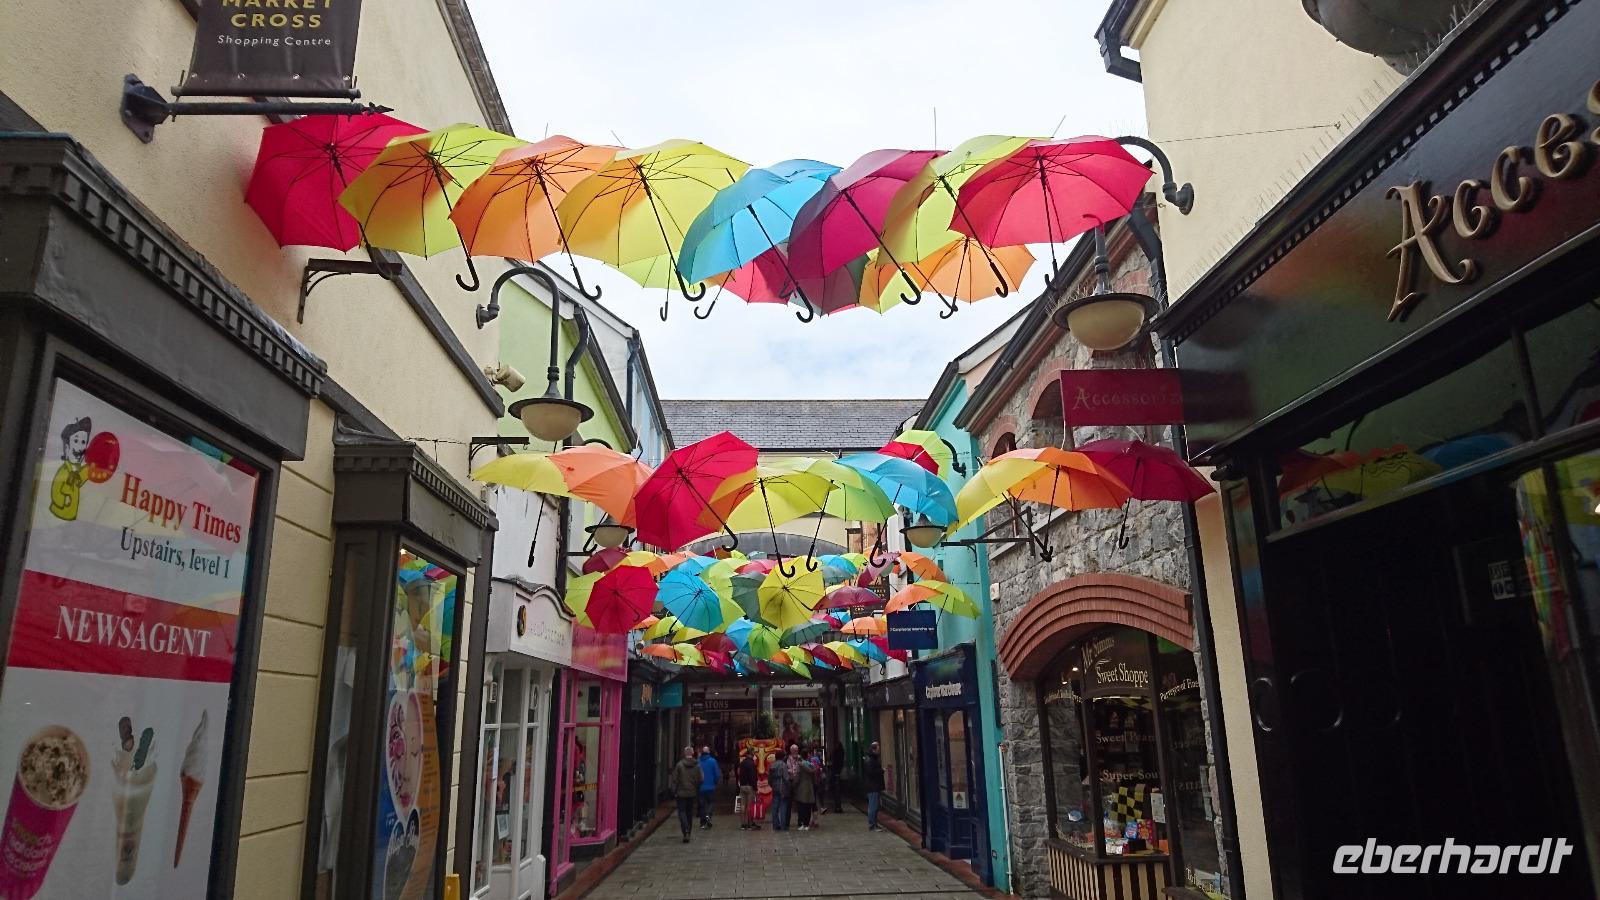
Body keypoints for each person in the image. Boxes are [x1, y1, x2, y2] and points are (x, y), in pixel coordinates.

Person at [670, 746, 701, 843]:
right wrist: (696, 786)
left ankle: (686, 830)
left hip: (681, 792)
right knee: (689, 812)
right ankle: (688, 831)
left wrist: (673, 791)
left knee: (682, 812)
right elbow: (701, 778)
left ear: (684, 754)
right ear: (692, 753)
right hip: (692, 792)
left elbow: (675, 779)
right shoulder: (697, 765)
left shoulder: (679, 765)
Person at [791, 745, 817, 832]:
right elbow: (813, 777)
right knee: (808, 807)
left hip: (801, 789)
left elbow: (797, 778)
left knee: (801, 807)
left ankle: (802, 824)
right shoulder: (810, 765)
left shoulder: (800, 765)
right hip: (809, 788)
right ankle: (807, 825)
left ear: (801, 756)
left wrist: (793, 785)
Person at [767, 745, 792, 831]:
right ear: (782, 757)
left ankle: (775, 824)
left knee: (775, 807)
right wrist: (789, 787)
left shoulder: (771, 765)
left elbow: (769, 779)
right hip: (783, 788)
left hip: (775, 788)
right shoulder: (783, 765)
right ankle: (783, 825)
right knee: (783, 807)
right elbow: (786, 778)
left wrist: (772, 785)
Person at [697, 746, 721, 828]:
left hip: (700, 787)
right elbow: (717, 774)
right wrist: (715, 782)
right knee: (711, 802)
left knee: (702, 805)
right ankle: (708, 814)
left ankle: (702, 823)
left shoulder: (698, 761)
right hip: (711, 787)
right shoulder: (713, 761)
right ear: (709, 752)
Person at [864, 741, 885, 831]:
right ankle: (872, 825)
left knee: (875, 806)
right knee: (873, 806)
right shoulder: (870, 760)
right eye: (878, 749)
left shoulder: (873, 758)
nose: (879, 751)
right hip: (873, 786)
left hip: (875, 785)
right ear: (874, 749)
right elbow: (870, 773)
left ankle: (874, 823)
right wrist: (881, 771)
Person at [737, 748, 760, 830]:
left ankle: (743, 824)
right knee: (749, 805)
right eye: (754, 753)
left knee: (743, 805)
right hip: (750, 786)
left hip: (742, 786)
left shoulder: (742, 763)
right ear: (751, 753)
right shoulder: (752, 764)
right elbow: (753, 777)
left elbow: (739, 774)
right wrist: (755, 788)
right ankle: (749, 823)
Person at [829, 741, 846, 813]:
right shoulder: (839, 752)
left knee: (836, 790)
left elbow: (836, 762)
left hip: (836, 773)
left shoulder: (838, 753)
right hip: (836, 773)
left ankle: (837, 806)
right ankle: (837, 806)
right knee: (837, 790)